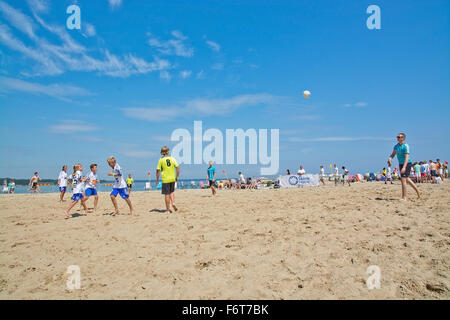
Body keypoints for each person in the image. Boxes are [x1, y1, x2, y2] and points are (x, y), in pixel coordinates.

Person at [387, 133, 420, 201]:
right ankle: (418, 191)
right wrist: (390, 159)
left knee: (403, 180)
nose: (398, 138)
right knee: (407, 179)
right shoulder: (396, 146)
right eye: (397, 137)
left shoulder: (406, 146)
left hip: (407, 163)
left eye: (399, 137)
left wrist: (404, 167)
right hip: (401, 163)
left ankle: (404, 197)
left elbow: (407, 157)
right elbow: (393, 154)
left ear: (403, 138)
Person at [156, 146, 180, 214]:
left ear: (162, 152)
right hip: (172, 178)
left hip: (165, 179)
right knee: (171, 192)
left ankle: (167, 210)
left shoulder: (161, 160)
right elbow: (178, 168)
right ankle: (173, 203)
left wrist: (157, 180)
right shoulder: (172, 158)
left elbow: (158, 171)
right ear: (168, 151)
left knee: (167, 194)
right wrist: (177, 176)